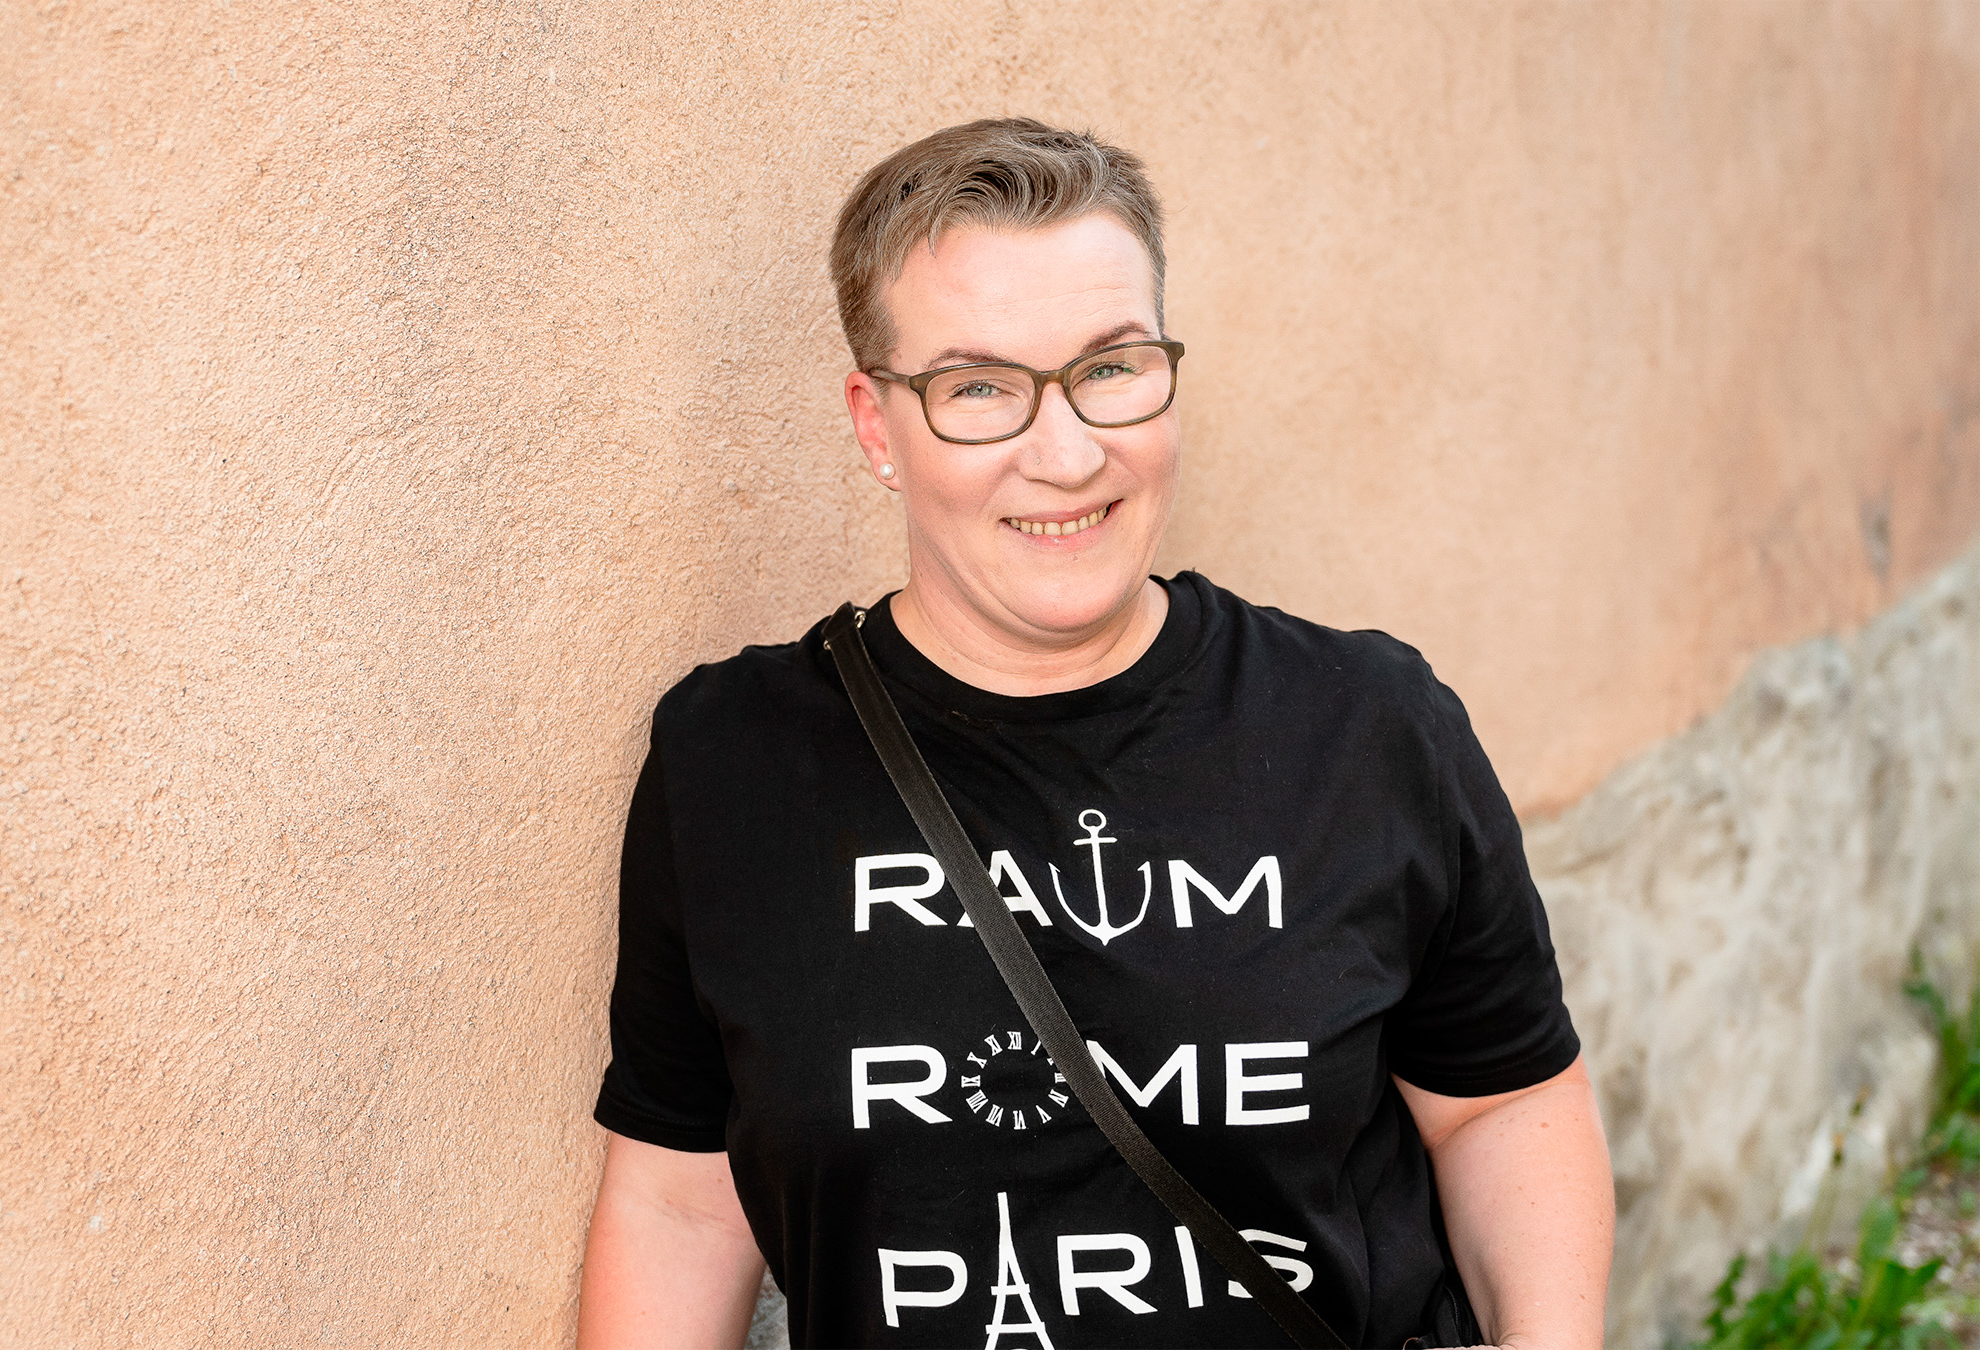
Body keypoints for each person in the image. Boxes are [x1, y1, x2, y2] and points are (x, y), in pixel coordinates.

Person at [576, 118, 1614, 1349]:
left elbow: (1497, 1107)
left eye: (1110, 368)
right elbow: (680, 1205)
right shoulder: (734, 766)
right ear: (876, 426)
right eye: (977, 389)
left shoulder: (1366, 728)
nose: (1066, 455)